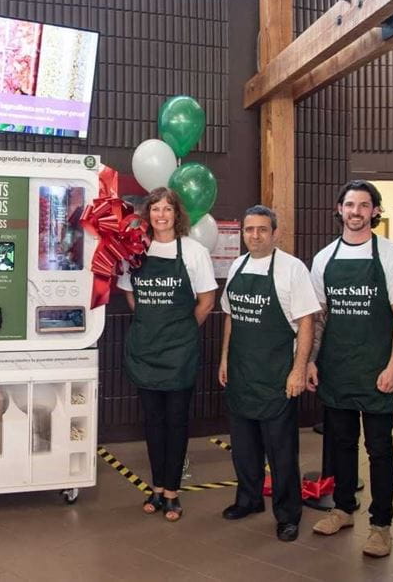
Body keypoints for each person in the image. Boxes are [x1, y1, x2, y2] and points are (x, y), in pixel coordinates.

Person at [307, 180, 393, 558]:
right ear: (339, 209)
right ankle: (343, 510)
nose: (355, 211)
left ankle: (381, 526)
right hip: (337, 369)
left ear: (375, 211)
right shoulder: (324, 259)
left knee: (379, 449)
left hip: (376, 371)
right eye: (349, 204)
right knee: (340, 444)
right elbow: (319, 317)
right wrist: (311, 359)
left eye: (363, 205)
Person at [217, 205, 320, 542]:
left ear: (275, 233)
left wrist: (298, 370)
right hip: (241, 372)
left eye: (262, 229)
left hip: (277, 376)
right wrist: (224, 359)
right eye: (249, 229)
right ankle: (248, 499)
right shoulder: (237, 265)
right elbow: (231, 317)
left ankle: (288, 514)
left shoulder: (292, 269)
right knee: (244, 447)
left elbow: (307, 322)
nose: (255, 235)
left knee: (281, 452)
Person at [117, 187, 216, 522]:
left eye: (167, 209)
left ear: (177, 215)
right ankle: (157, 487)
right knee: (153, 422)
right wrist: (152, 323)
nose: (161, 215)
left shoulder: (194, 252)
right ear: (148, 214)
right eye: (155, 209)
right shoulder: (135, 250)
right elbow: (131, 295)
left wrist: (181, 329)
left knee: (176, 422)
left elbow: (207, 301)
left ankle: (172, 491)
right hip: (145, 350)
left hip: (179, 353)